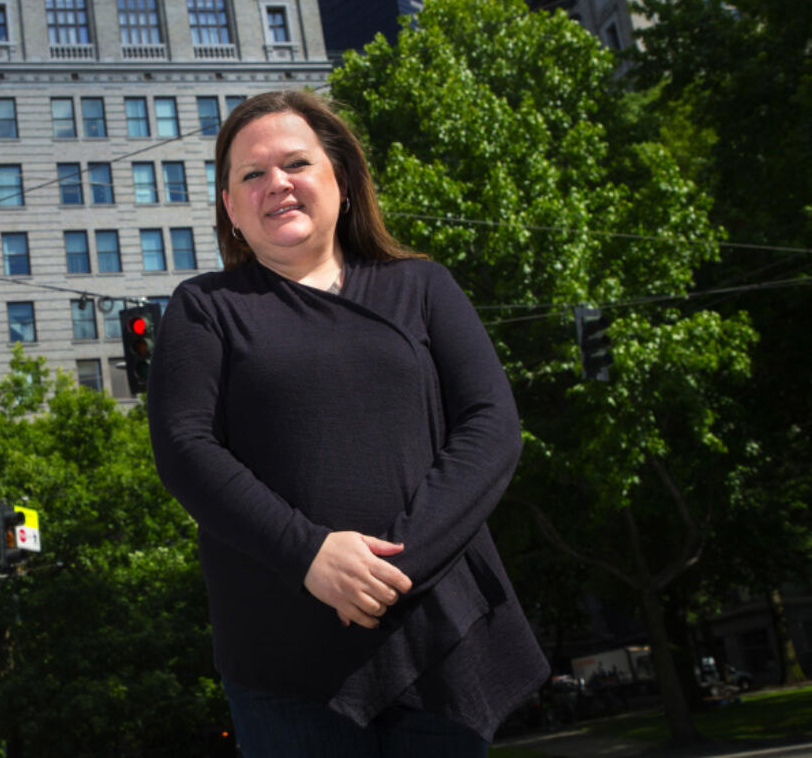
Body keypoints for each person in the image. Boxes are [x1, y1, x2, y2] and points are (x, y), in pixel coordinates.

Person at [146, 90, 549, 756]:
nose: (276, 183)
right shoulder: (204, 310)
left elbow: (491, 426)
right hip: (284, 655)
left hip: (435, 633)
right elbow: (186, 450)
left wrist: (395, 568)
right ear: (230, 209)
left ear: (342, 180)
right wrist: (308, 554)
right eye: (251, 174)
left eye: (296, 164)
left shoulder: (421, 286)